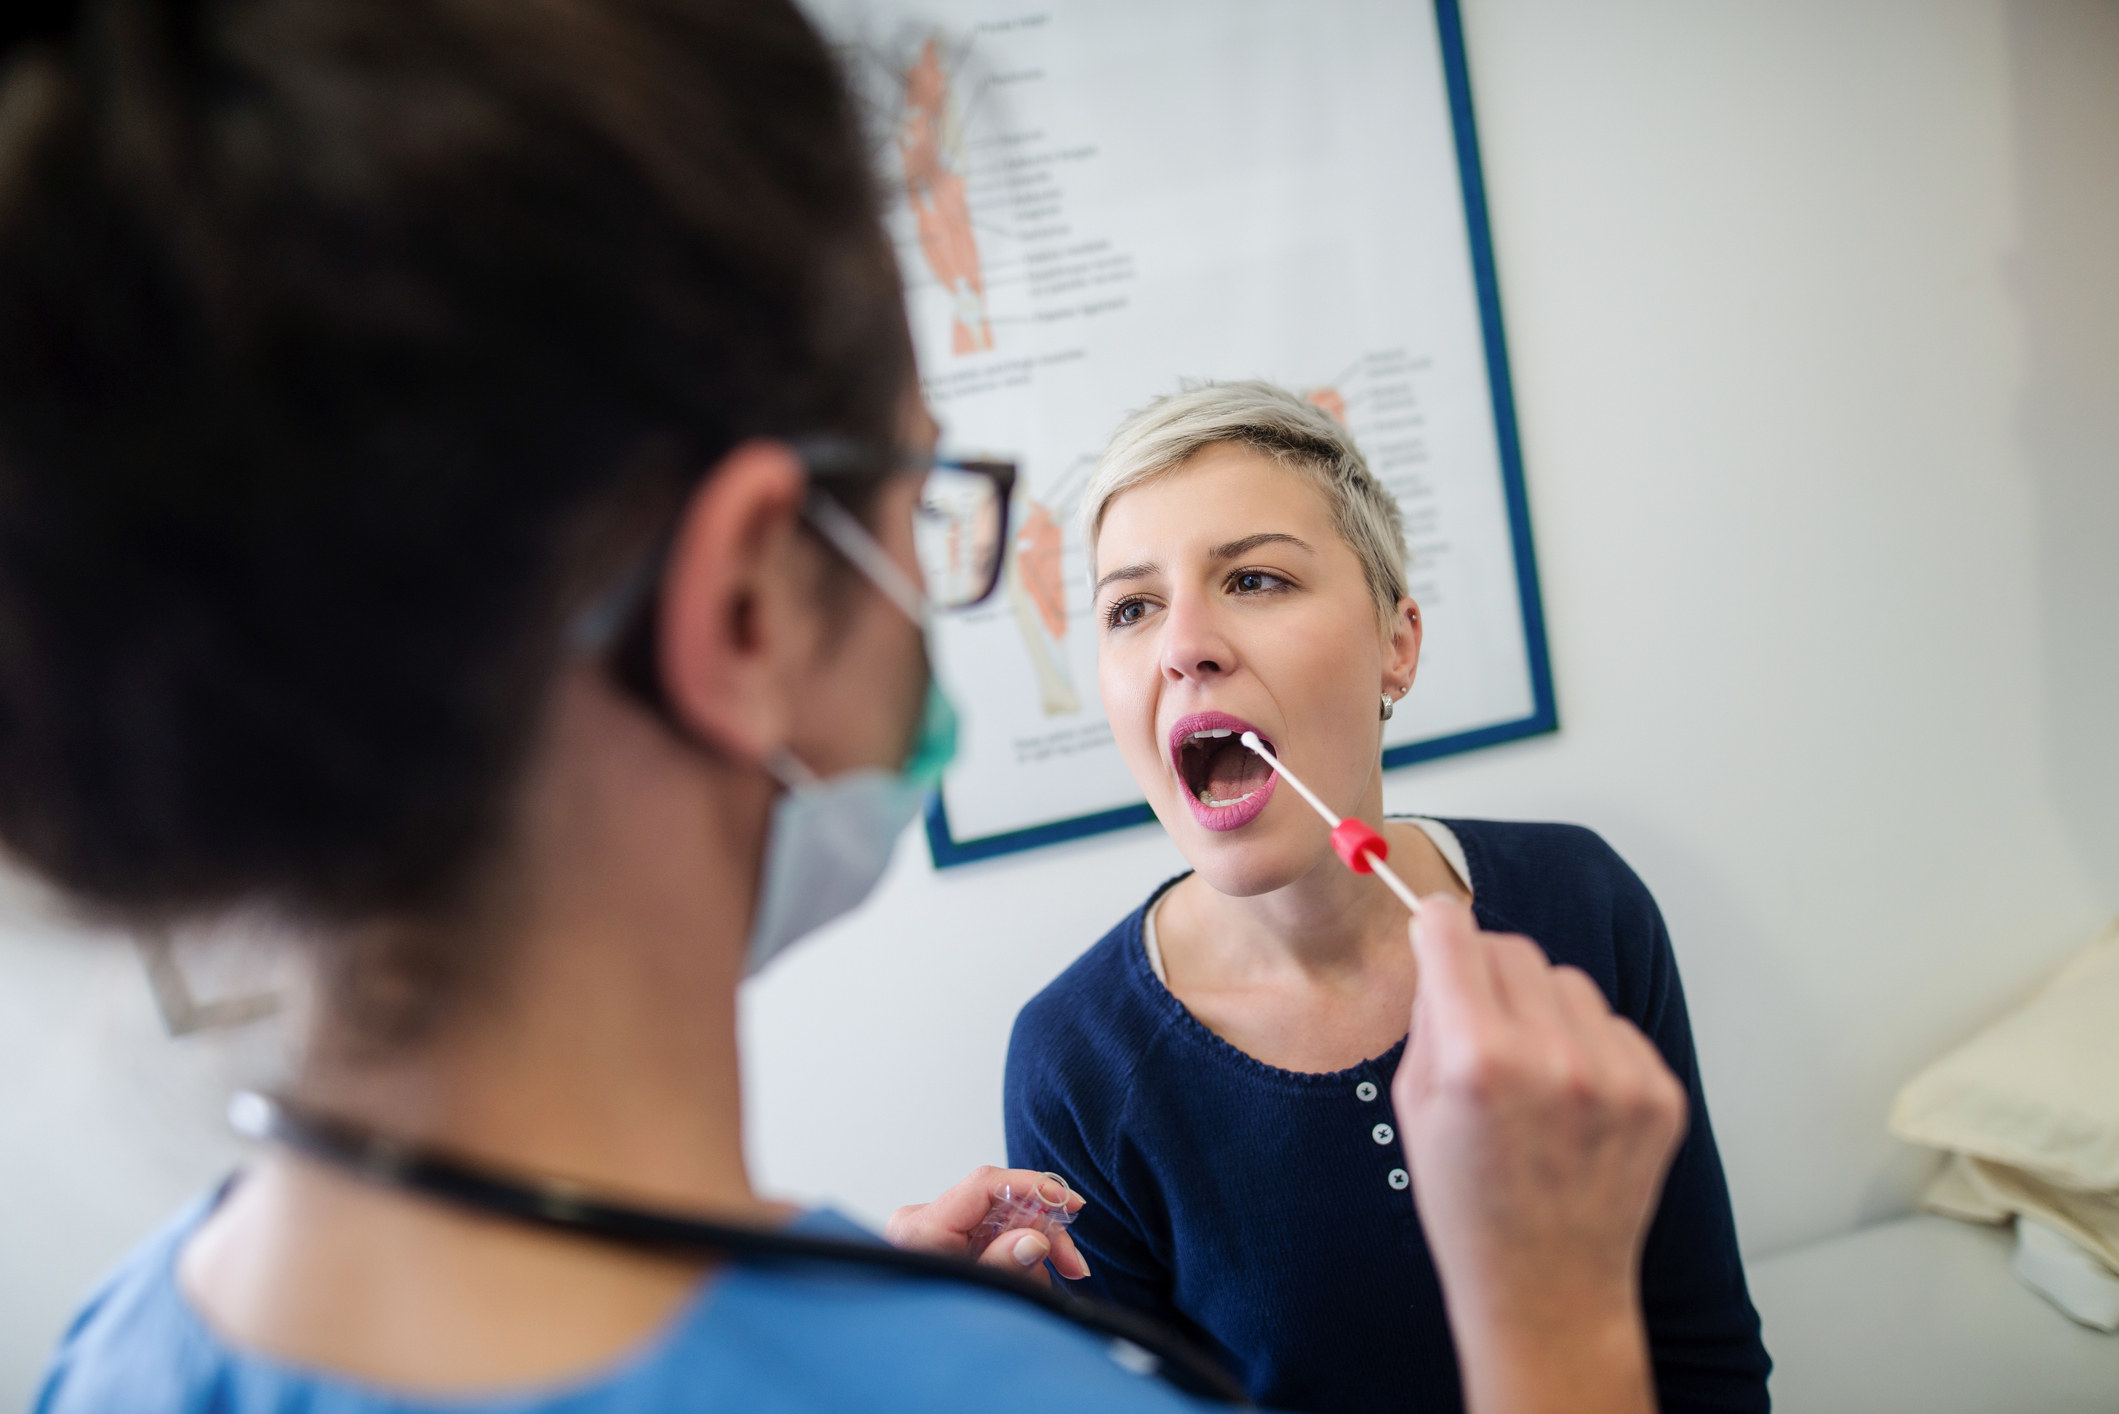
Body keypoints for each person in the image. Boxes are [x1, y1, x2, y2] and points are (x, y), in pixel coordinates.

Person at [4, 3, 1686, 1412]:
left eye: (1252, 577)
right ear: (746, 601)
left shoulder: (118, 1354)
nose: (1180, 641)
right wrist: (1551, 1329)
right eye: (911, 491)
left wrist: (851, 1318)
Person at [1005, 382, 1773, 1411]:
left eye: (1256, 578)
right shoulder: (1074, 1062)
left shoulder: (1582, 906)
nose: (1184, 643)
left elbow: (1705, 1360)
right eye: (1131, 607)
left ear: (1396, 642)